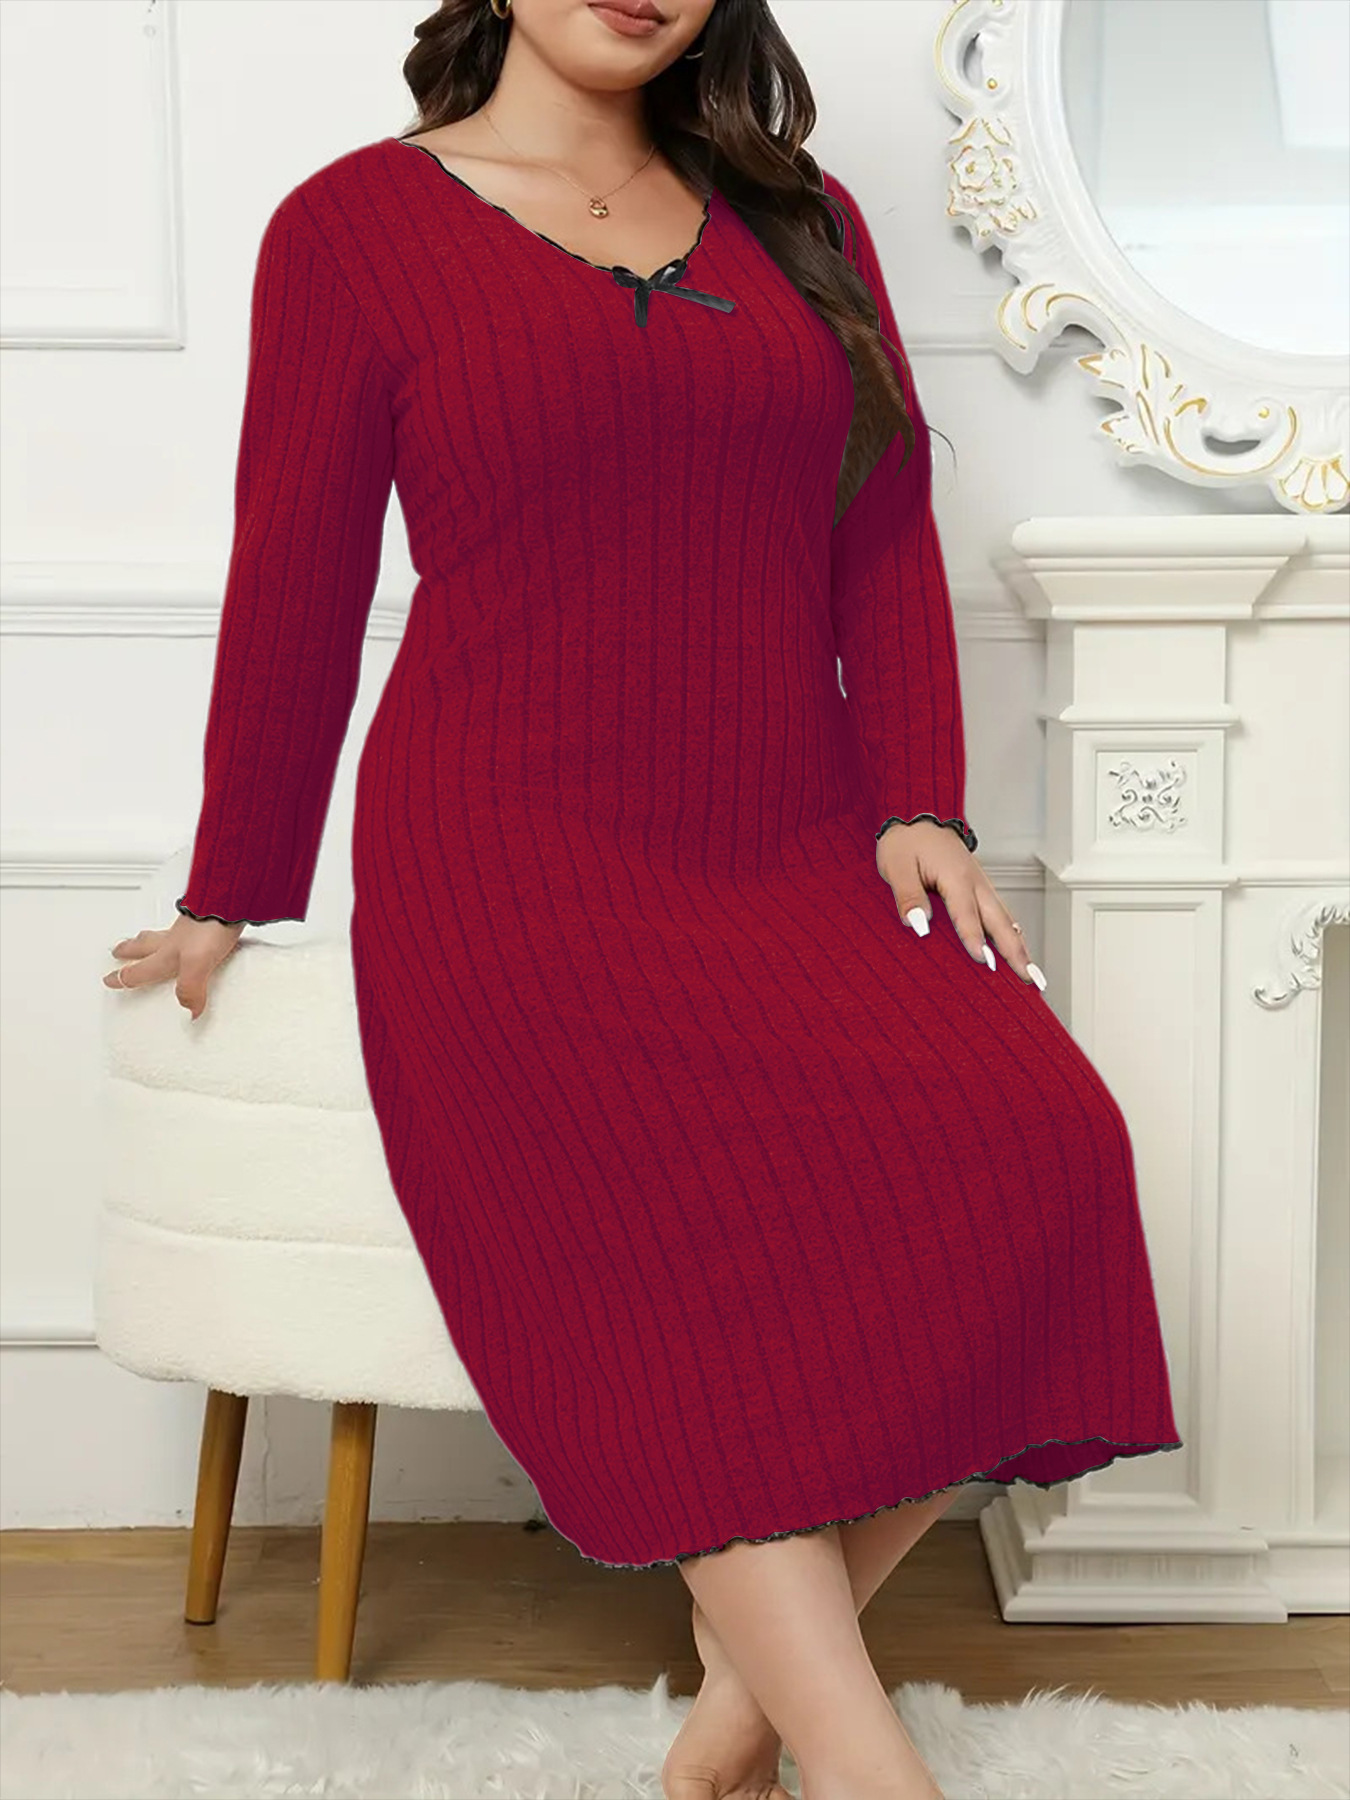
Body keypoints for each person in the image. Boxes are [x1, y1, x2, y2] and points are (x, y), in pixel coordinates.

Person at [102, 0, 1183, 1794]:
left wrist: (919, 796)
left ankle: (728, 1733)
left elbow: (879, 519)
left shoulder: (795, 216)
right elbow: (297, 564)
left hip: (787, 834)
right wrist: (236, 883)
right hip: (505, 852)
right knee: (673, 1271)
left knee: (1046, 1149)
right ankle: (868, 1770)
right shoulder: (352, 228)